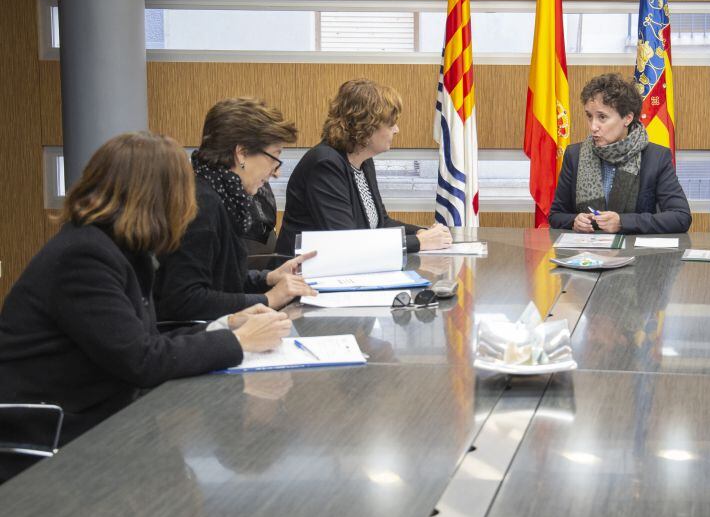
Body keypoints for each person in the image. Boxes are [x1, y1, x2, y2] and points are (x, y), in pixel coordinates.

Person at [0, 133, 293, 445]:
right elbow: (141, 361)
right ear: (158, 196)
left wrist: (225, 325)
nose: (189, 204)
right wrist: (237, 341)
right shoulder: (84, 256)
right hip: (54, 427)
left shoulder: (121, 249)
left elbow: (143, 343)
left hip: (98, 411)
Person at [155, 97, 316, 321]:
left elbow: (220, 279)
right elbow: (185, 299)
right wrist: (269, 299)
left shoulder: (221, 195)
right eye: (274, 158)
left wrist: (269, 278)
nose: (276, 172)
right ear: (241, 153)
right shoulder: (201, 206)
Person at [276, 79, 452, 255]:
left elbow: (381, 223)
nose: (396, 130)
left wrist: (420, 232)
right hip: (301, 274)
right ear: (367, 126)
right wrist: (419, 242)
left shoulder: (363, 161)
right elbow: (348, 242)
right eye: (391, 124)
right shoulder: (325, 164)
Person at [549, 73, 691, 234]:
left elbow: (681, 217)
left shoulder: (656, 157)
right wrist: (574, 221)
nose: (593, 126)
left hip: (636, 256)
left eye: (602, 117)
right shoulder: (574, 155)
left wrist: (623, 222)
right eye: (590, 116)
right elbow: (556, 215)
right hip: (586, 256)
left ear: (627, 118)